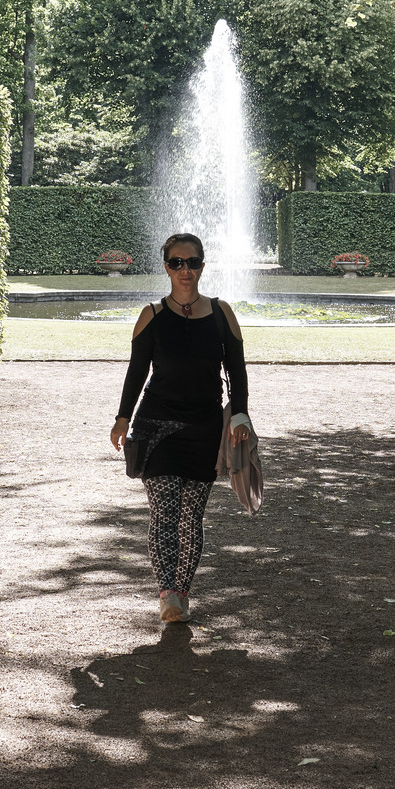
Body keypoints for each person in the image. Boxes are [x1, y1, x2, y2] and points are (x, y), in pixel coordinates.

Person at [111, 233, 251, 624]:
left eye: (192, 263)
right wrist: (123, 418)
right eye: (176, 263)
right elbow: (136, 371)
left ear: (203, 266)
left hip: (205, 430)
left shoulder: (222, 313)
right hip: (157, 429)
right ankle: (167, 594)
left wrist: (239, 414)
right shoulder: (152, 316)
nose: (184, 270)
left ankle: (183, 592)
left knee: (192, 518)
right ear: (167, 267)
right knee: (165, 512)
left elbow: (236, 371)